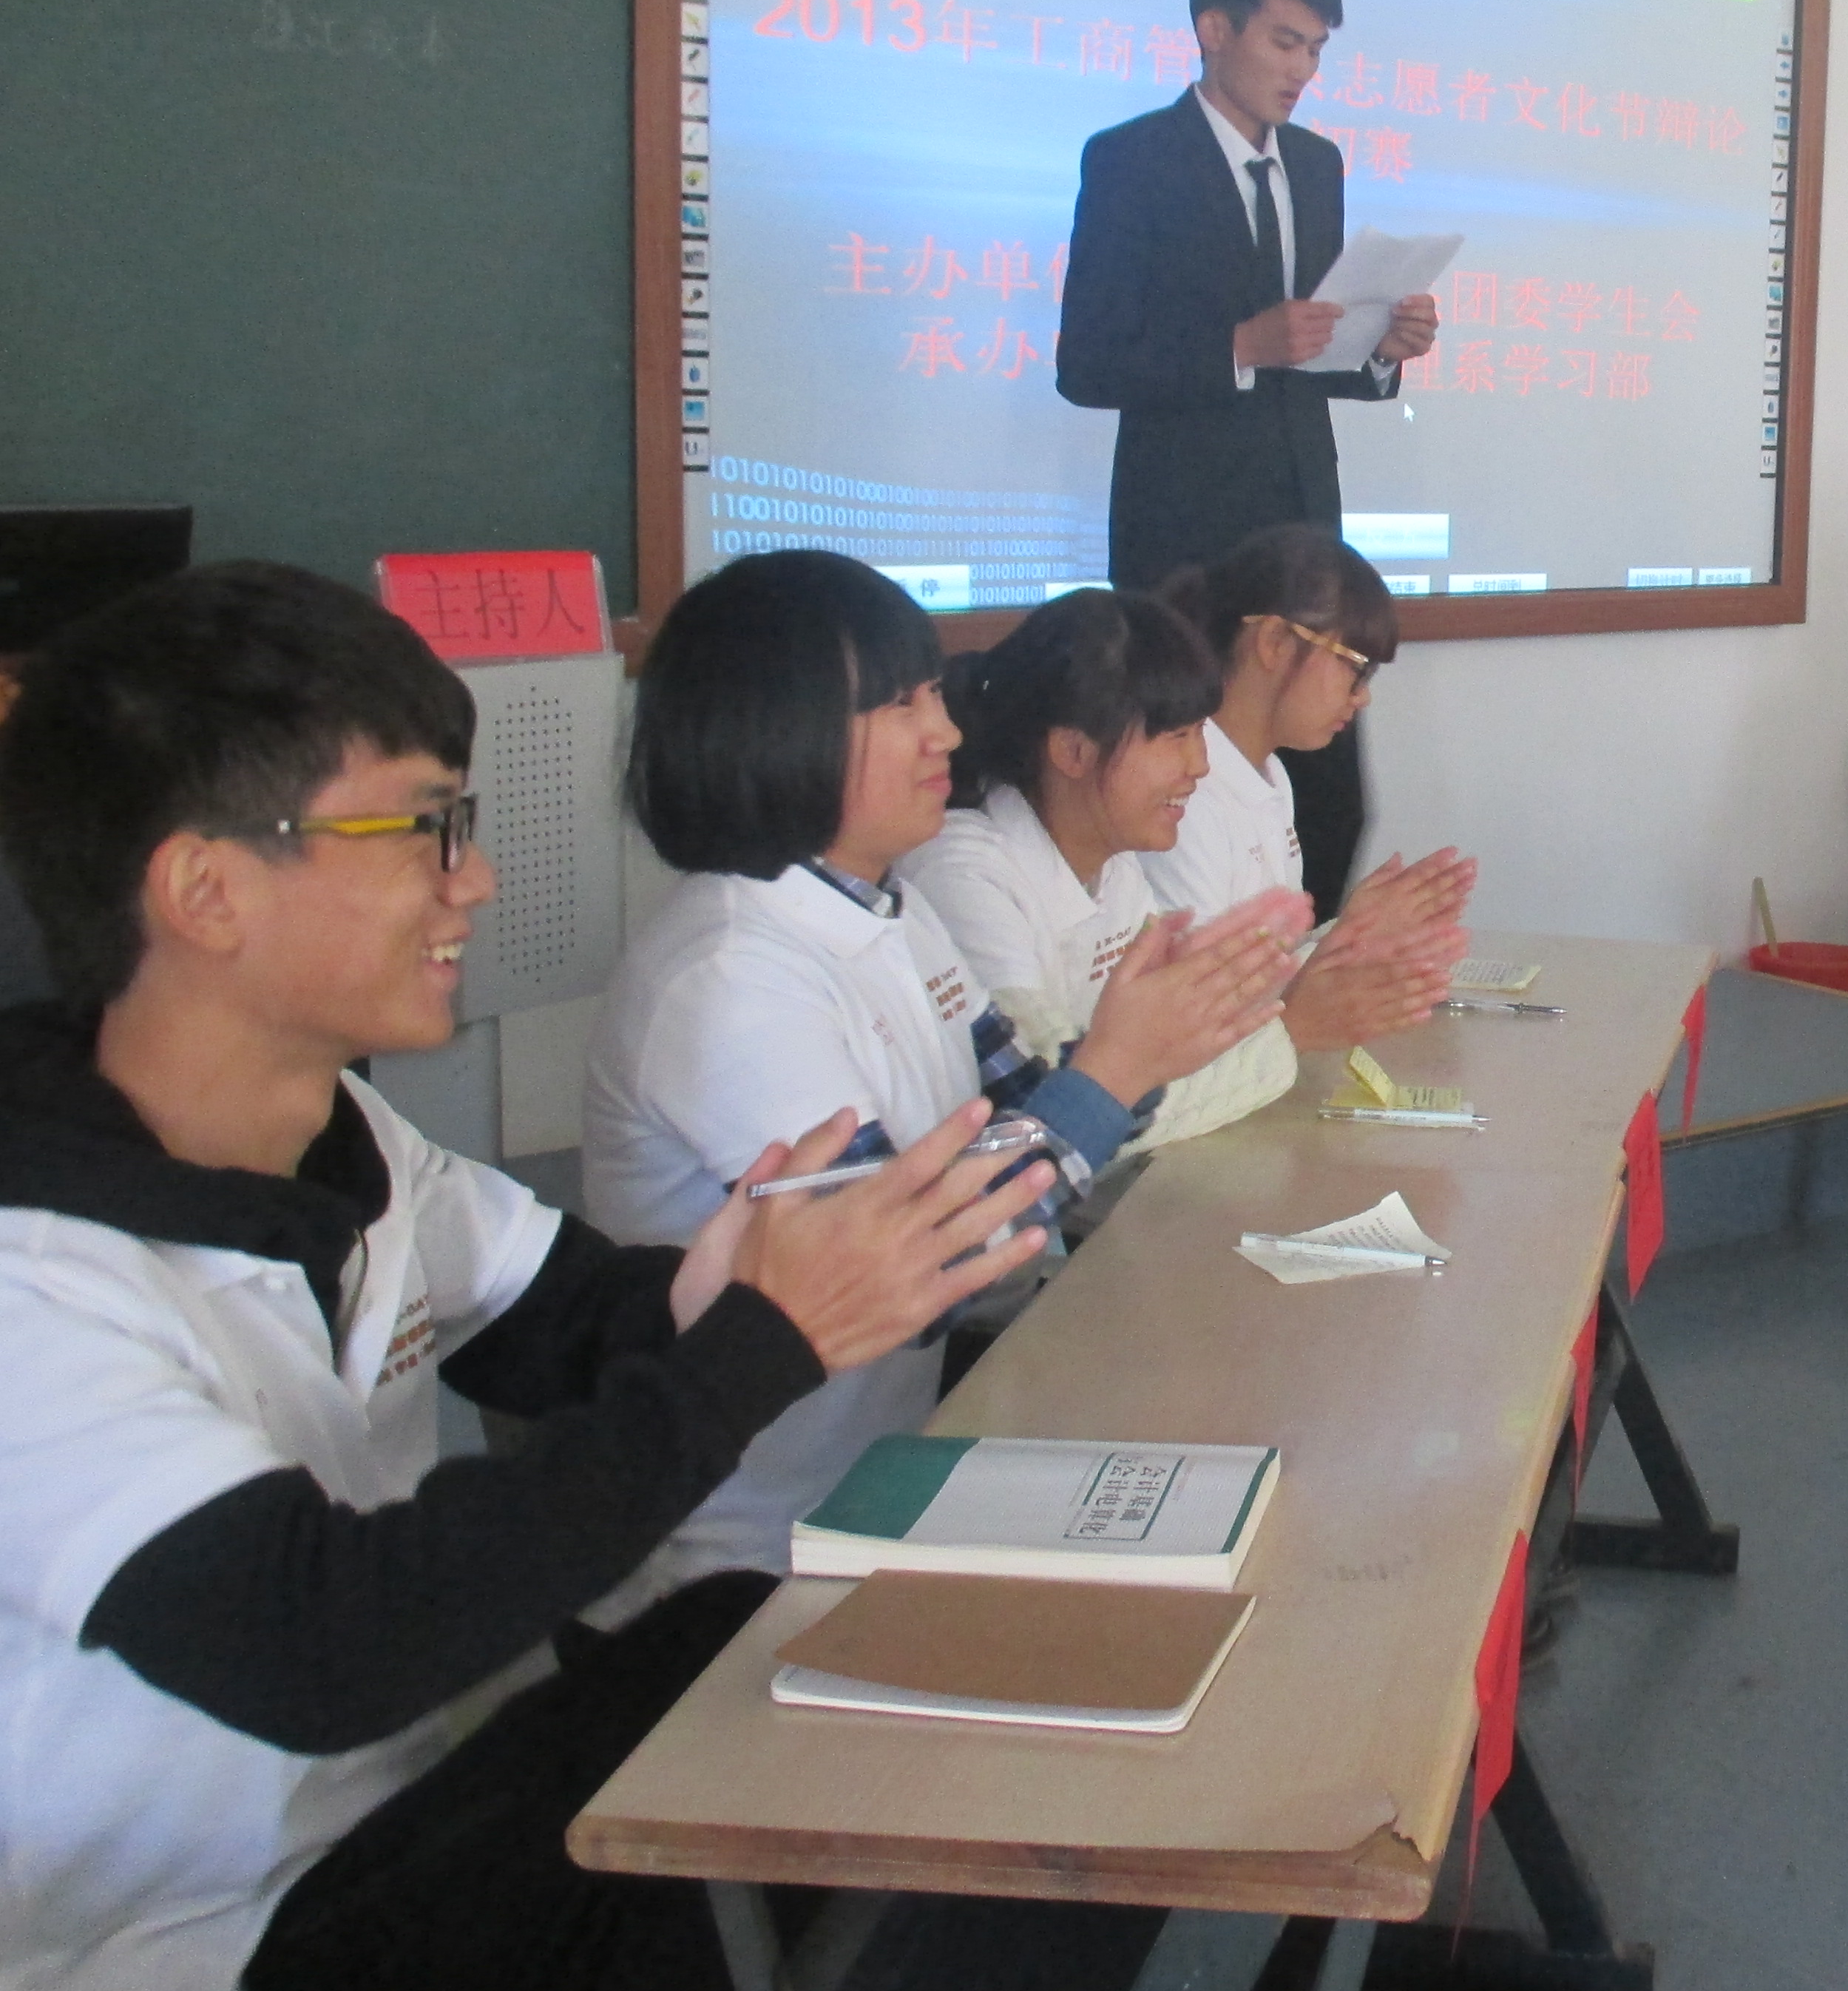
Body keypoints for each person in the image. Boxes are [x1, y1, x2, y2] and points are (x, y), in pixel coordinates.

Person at [0, 561, 1045, 1990]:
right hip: (182, 1946)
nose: (474, 880)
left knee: (787, 1679)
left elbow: (579, 1319)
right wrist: (761, 1337)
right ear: (206, 890)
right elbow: (327, 1642)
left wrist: (734, 1280)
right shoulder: (37, 1282)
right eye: (424, 829)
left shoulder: (347, 1136)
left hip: (371, 1840)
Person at [583, 551, 1296, 1614]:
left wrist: (1151, 1046)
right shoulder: (732, 976)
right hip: (740, 1566)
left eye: (933, 694)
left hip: (883, 1477)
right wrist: (1118, 1069)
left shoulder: (887, 908)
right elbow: (918, 1274)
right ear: (779, 727)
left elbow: (1021, 1106)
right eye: (901, 706)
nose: (948, 734)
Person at [1057, 0, 1441, 913]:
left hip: (1305, 545)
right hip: (1184, 551)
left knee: (1330, 803)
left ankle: (1298, 983)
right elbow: (1086, 361)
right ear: (1214, 29)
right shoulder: (1132, 159)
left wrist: (1382, 350)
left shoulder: (1316, 165)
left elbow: (1314, 356)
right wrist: (1238, 345)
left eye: (1317, 49)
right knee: (1183, 814)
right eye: (1284, 41)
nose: (1303, 70)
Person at [898, 584, 1461, 1144]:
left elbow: (1174, 1044)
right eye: (1176, 738)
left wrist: (1342, 946)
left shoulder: (1114, 866)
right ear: (1073, 751)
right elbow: (1049, 1119)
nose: (1199, 765)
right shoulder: (966, 878)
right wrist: (1291, 1029)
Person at [1148, 526, 1475, 1032]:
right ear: (1275, 642)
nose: (1363, 696)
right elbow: (1200, 1024)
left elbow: (1271, 975)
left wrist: (1351, 938)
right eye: (1357, 668)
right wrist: (1340, 949)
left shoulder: (1271, 775)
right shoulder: (1185, 796)